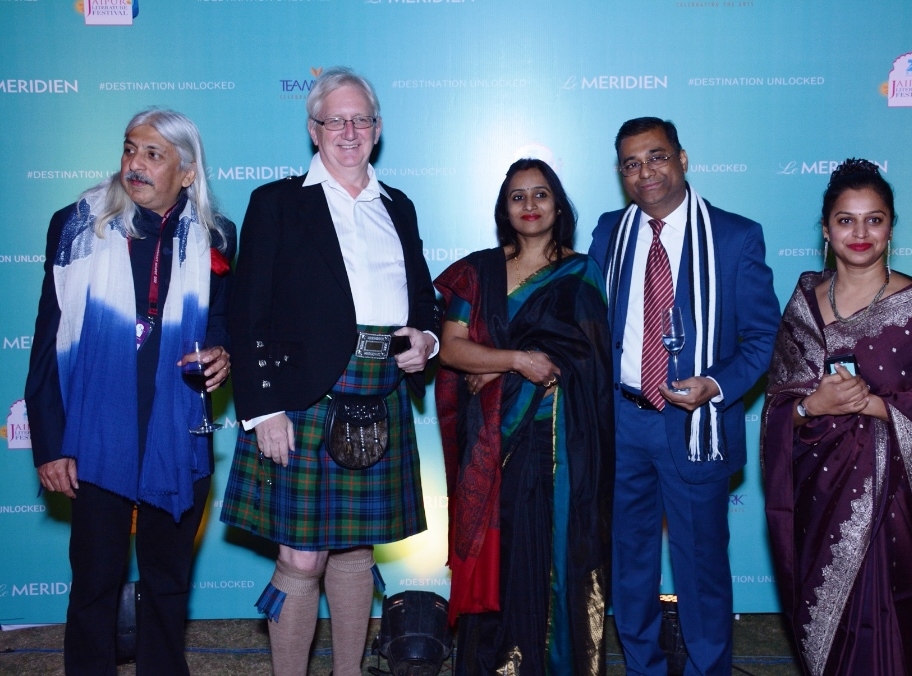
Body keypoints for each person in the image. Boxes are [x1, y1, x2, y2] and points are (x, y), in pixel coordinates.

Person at [219, 66, 439, 676]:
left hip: (381, 388)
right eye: (335, 119)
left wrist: (424, 338)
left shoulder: (399, 206)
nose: (349, 130)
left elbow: (423, 298)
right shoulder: (277, 203)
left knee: (354, 552)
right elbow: (247, 311)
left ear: (378, 129)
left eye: (361, 118)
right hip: (302, 398)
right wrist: (263, 409)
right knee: (301, 558)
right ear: (314, 129)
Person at [24, 108, 235, 674]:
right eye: (128, 150)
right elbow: (48, 341)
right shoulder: (75, 224)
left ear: (187, 172)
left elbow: (220, 322)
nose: (133, 165)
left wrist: (223, 352)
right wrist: (50, 443)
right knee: (94, 584)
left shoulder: (215, 234)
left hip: (174, 429)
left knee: (168, 586)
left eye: (152, 155)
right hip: (96, 434)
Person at [588, 117, 781, 675]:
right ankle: (643, 668)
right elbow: (589, 323)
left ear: (683, 158)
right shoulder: (609, 232)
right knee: (629, 567)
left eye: (657, 157)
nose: (645, 171)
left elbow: (763, 338)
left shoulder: (735, 236)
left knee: (701, 571)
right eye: (631, 163)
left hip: (695, 427)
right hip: (622, 422)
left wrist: (716, 385)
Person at [761, 159, 912, 676]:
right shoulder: (804, 301)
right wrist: (814, 406)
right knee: (824, 618)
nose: (860, 232)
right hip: (815, 492)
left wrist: (870, 404)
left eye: (874, 219)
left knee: (887, 613)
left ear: (891, 226)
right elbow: (781, 404)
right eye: (846, 220)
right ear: (826, 230)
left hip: (887, 494)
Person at [434, 158, 614, 675]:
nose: (530, 206)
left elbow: (588, 361)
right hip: (493, 444)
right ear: (503, 208)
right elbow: (450, 349)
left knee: (554, 558)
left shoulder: (582, 273)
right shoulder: (479, 270)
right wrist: (514, 361)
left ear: (558, 205)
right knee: (501, 555)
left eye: (540, 195)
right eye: (518, 196)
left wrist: (498, 365)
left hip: (559, 444)